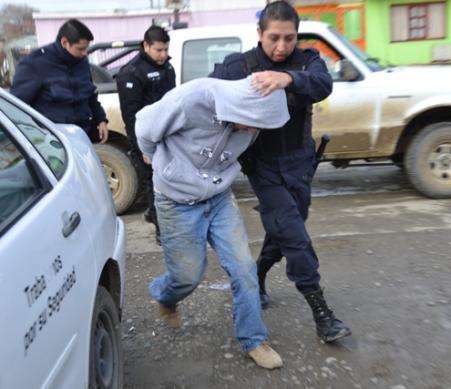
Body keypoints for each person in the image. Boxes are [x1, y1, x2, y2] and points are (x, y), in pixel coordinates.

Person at [210, 0, 351, 343]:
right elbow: (208, 98)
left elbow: (322, 84)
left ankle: (258, 274)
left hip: (301, 164)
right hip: (263, 168)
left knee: (287, 228)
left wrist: (287, 78)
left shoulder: (307, 61)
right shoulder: (239, 65)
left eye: (289, 38)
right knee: (294, 233)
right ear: (260, 33)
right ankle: (321, 312)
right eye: (274, 38)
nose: (281, 46)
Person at [135, 75, 289, 369]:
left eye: (260, 124)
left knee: (244, 268)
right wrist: (164, 166)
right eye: (251, 121)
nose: (253, 130)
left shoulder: (252, 123)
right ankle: (166, 296)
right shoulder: (194, 99)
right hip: (176, 201)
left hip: (219, 196)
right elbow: (145, 125)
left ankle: (253, 339)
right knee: (188, 276)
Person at [117, 26, 176, 244]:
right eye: (158, 50)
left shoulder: (167, 67)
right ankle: (163, 231)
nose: (163, 55)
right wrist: (142, 148)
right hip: (147, 140)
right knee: (155, 183)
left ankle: (155, 214)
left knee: (170, 180)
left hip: (168, 135)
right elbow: (130, 117)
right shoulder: (131, 73)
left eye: (166, 49)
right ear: (146, 46)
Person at [11, 19, 108, 144]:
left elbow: (90, 95)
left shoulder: (82, 62)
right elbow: (16, 107)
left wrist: (101, 119)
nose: (85, 54)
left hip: (83, 136)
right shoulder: (34, 64)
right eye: (80, 49)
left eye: (86, 49)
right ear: (64, 42)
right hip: (52, 142)